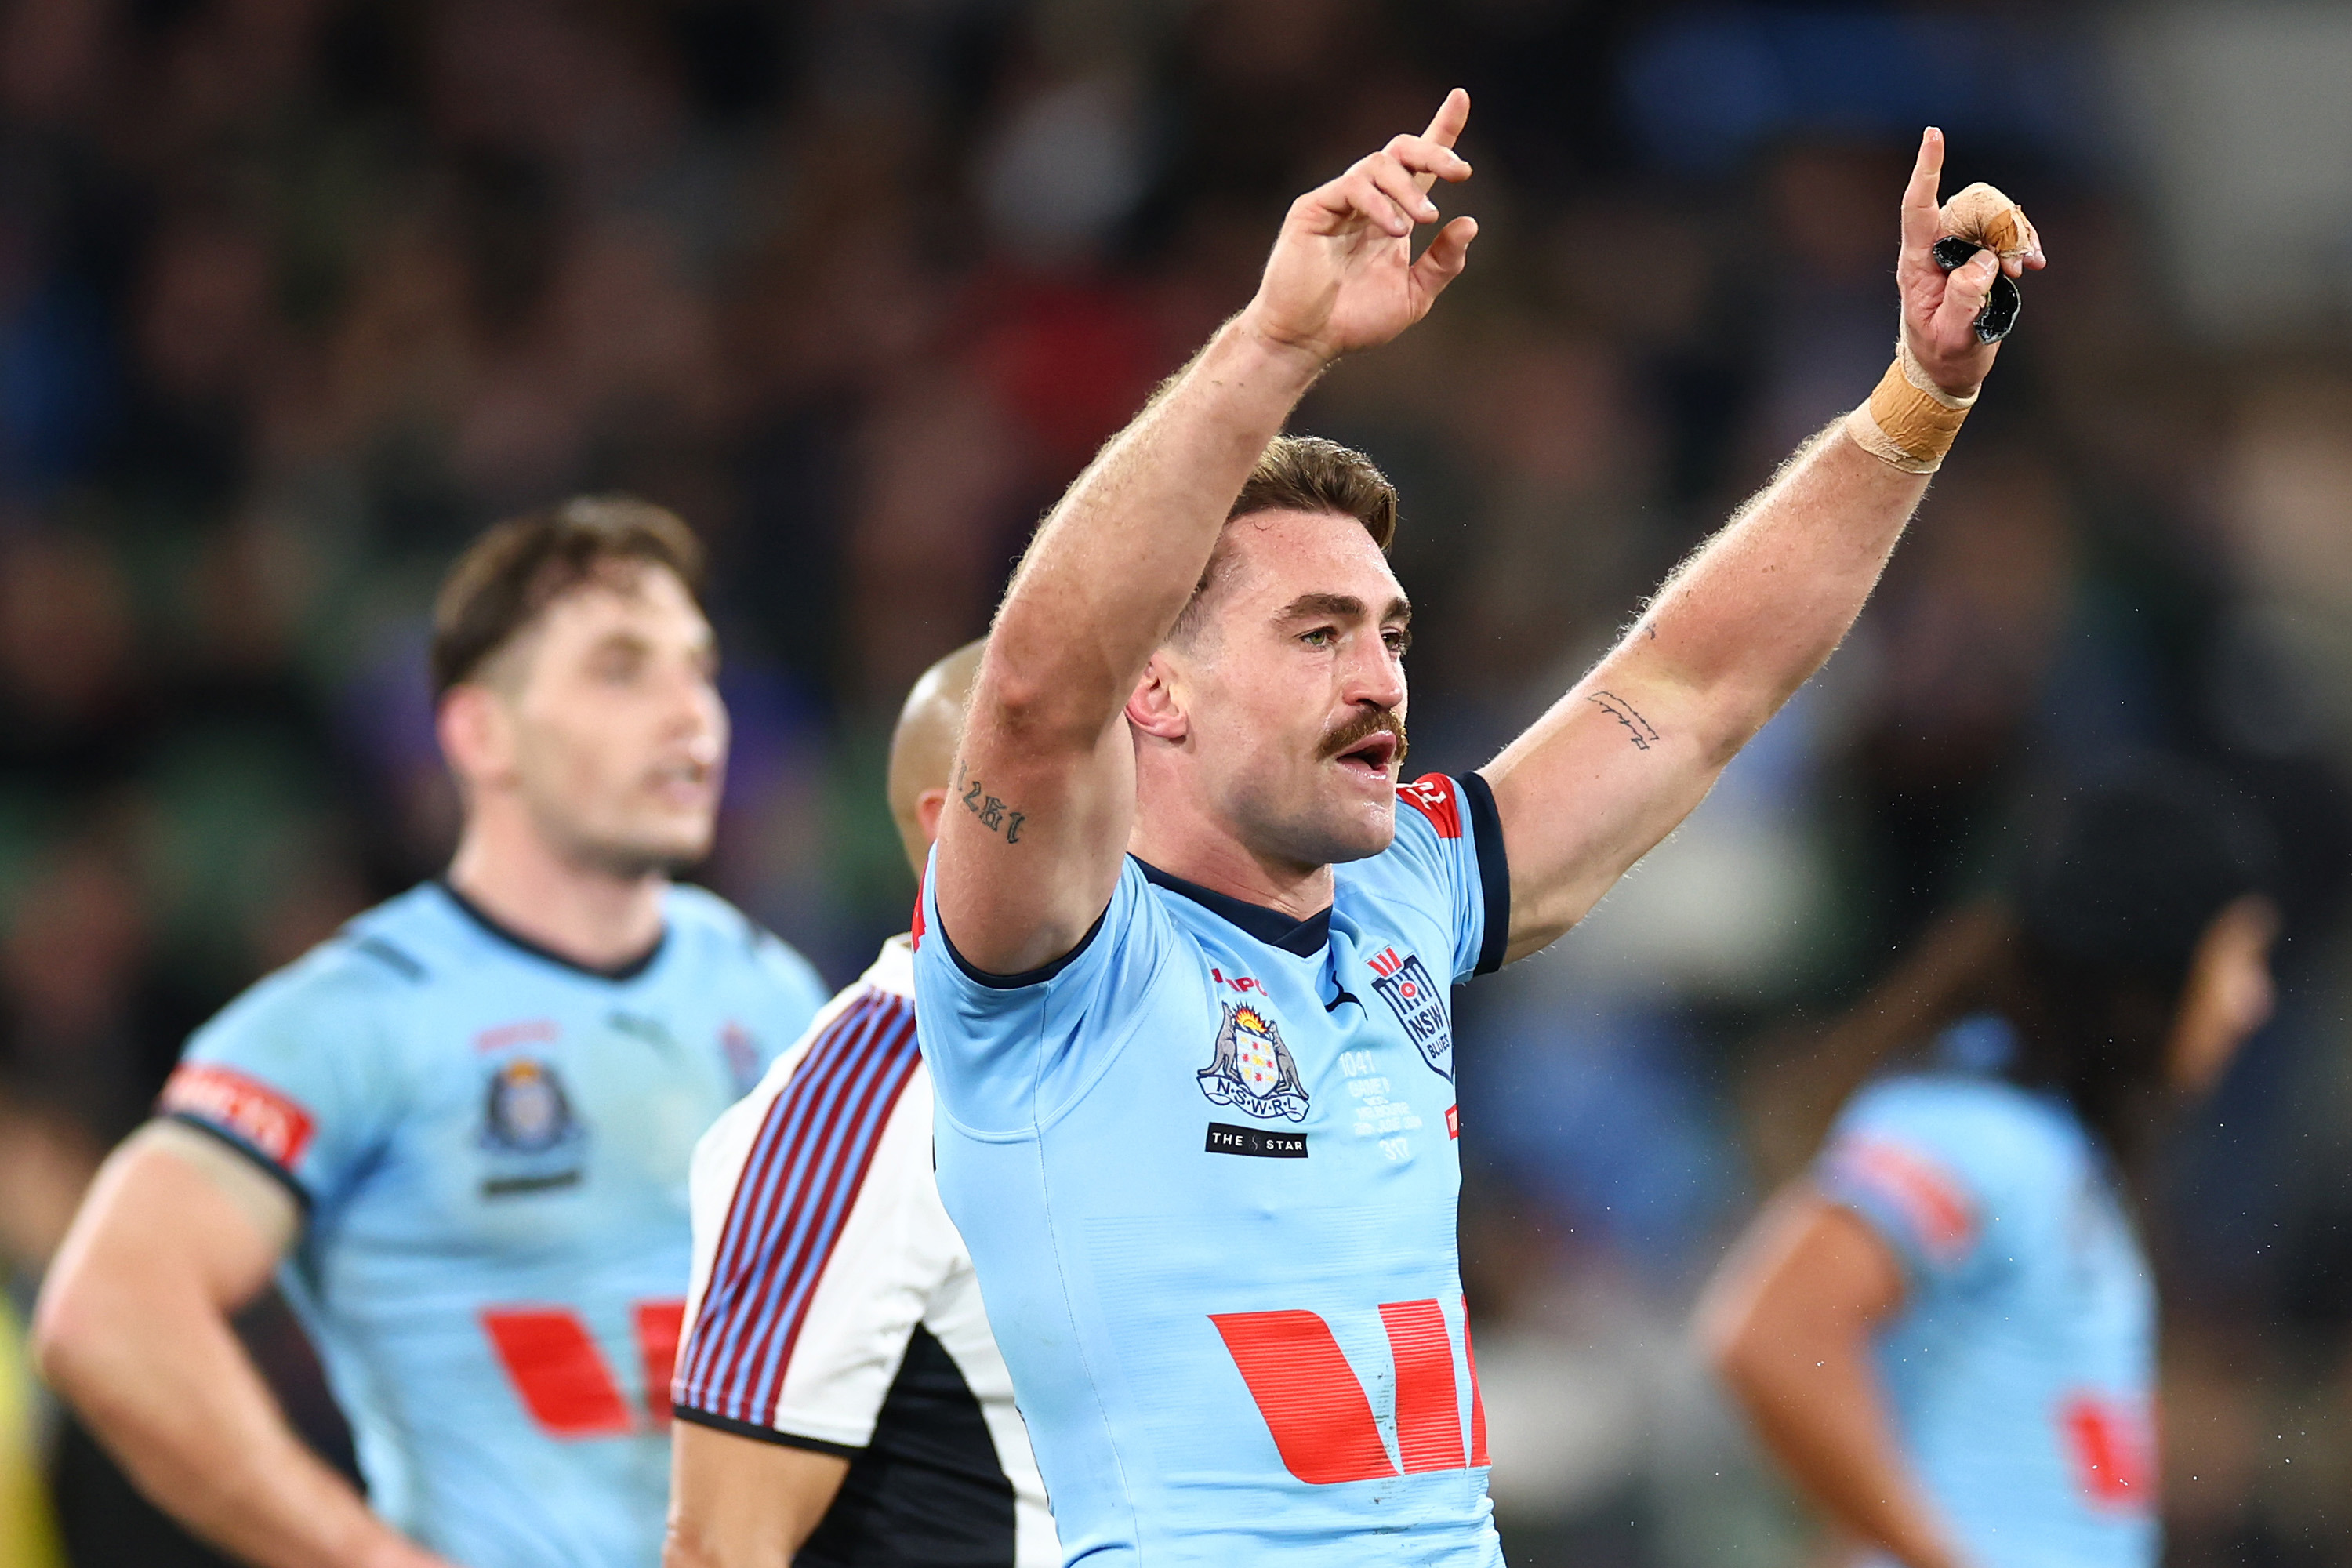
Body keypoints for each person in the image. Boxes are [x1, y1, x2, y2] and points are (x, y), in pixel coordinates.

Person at [913, 85, 2045, 1566]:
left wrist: (1914, 404)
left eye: (1388, 630)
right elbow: (1037, 695)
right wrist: (1277, 344)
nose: (1381, 675)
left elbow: (1692, 688)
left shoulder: (1411, 889)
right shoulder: (1051, 956)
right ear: (1161, 692)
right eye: (1317, 633)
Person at [33, 498, 829, 1568]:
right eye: (621, 668)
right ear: (478, 732)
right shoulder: (354, 1017)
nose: (692, 713)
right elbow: (109, 1315)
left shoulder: (770, 989)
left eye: (700, 668)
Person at [1698, 764, 2280, 1568]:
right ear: (2155, 962)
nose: (2254, 998)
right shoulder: (1977, 1131)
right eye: (2239, 955)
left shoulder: (2049, 1152)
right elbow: (1770, 1334)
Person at [664, 640, 1056, 1568]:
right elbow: (719, 1545)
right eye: (1101, 760)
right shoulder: (869, 1096)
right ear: (958, 824)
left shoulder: (1173, 1067)